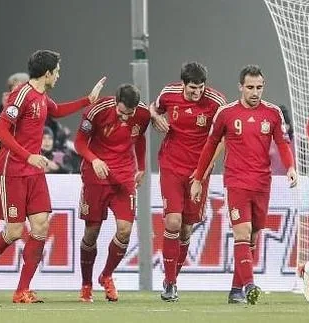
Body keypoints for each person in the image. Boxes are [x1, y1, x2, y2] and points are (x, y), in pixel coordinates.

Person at [0, 49, 106, 303]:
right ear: (47, 73)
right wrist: (28, 156)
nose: (58, 75)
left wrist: (87, 100)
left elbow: (57, 111)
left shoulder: (42, 96)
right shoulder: (22, 94)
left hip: (33, 172)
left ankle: (22, 289)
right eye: (57, 71)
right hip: (11, 170)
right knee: (13, 232)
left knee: (41, 226)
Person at [190, 65, 297, 305]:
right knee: (243, 232)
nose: (255, 92)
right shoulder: (226, 113)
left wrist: (290, 167)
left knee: (253, 237)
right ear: (241, 87)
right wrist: (198, 178)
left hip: (262, 183)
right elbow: (209, 147)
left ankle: (236, 289)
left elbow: (282, 143)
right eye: (250, 87)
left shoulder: (272, 113)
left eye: (259, 87)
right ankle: (250, 285)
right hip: (236, 181)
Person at [149, 62, 227, 302]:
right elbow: (153, 108)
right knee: (173, 220)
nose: (197, 92)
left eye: (201, 87)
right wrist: (155, 117)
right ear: (183, 84)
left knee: (186, 229)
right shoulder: (169, 94)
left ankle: (172, 278)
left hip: (198, 172)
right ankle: (170, 285)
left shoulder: (216, 102)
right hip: (171, 165)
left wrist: (202, 173)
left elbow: (223, 140)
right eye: (193, 88)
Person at [74, 84, 150, 302]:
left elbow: (141, 138)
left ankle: (106, 276)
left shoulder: (143, 114)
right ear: (116, 102)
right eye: (122, 112)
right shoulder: (96, 111)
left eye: (130, 113)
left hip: (124, 177)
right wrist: (94, 159)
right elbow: (79, 143)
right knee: (91, 232)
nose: (126, 117)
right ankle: (86, 284)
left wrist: (142, 166)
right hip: (96, 175)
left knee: (125, 230)